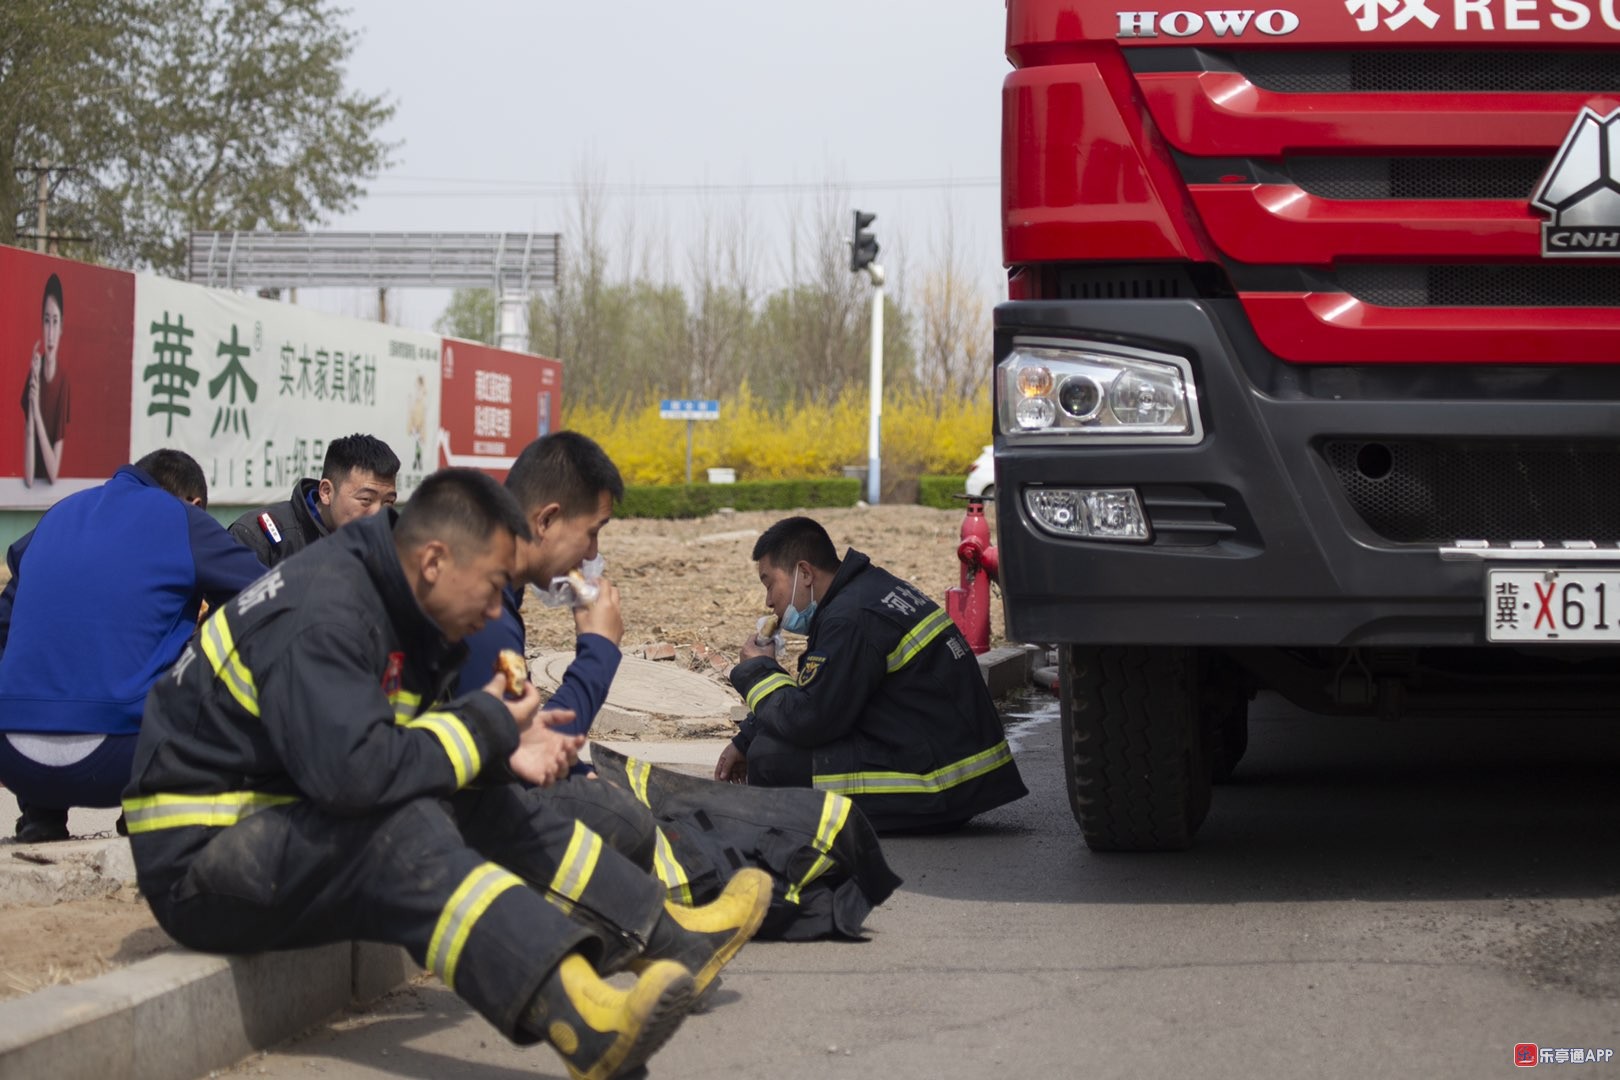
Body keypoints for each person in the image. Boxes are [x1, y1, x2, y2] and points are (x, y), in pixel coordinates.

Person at [124, 468, 769, 1080]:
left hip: (276, 818)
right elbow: (356, 778)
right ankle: (582, 1017)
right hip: (203, 860)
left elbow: (393, 749)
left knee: (484, 799)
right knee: (399, 829)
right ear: (434, 561)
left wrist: (500, 748)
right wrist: (486, 726)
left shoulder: (393, 601)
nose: (494, 614)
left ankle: (670, 939)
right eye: (491, 587)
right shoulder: (324, 613)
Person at [0, 449, 266, 843]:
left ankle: (42, 814)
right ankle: (150, 808)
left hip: (12, 759)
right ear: (195, 503)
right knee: (224, 653)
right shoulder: (183, 520)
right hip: (120, 761)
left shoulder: (57, 516)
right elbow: (269, 596)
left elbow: (5, 625)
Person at [717, 516, 1029, 833]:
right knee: (764, 745)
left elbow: (810, 722)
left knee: (772, 759)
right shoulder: (865, 592)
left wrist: (758, 671)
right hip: (958, 771)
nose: (769, 601)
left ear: (805, 573)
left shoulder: (849, 619)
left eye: (770, 584)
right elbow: (828, 692)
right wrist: (746, 737)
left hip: (942, 784)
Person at [455, 432, 659, 865]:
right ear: (545, 520)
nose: (593, 554)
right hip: (454, 822)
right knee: (624, 823)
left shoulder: (497, 590)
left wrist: (579, 771)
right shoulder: (483, 613)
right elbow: (530, 755)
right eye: (591, 533)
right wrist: (599, 651)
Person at [229, 433, 399, 567]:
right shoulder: (258, 536)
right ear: (326, 492)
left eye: (388, 502)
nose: (379, 513)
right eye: (366, 499)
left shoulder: (390, 545)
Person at [20, 274, 68, 487]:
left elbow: (53, 472)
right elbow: (29, 479)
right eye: (47, 321)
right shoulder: (34, 375)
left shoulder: (63, 382)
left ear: (62, 326)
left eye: (55, 321)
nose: (50, 334)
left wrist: (37, 413)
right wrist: (33, 404)